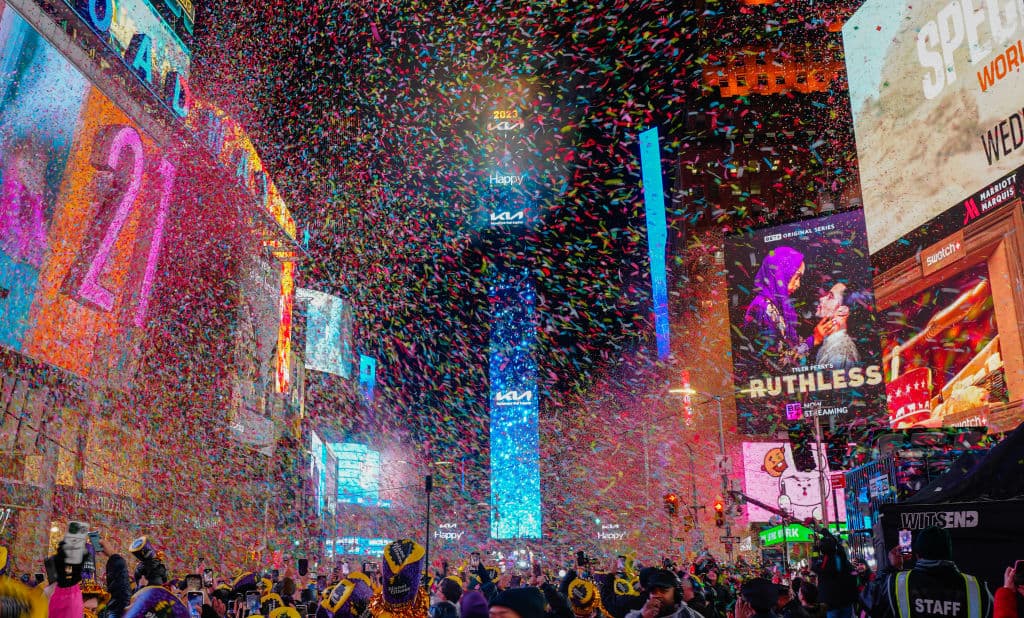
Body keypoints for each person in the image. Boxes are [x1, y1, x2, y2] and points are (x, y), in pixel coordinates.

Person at [742, 246, 834, 371]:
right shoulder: (763, 308)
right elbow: (776, 364)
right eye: (796, 277)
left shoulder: (776, 304)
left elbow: (788, 346)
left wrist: (814, 337)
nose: (798, 284)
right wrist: (813, 341)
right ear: (781, 273)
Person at [869, 527, 993, 618]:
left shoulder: (895, 583)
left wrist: (891, 568)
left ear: (917, 555)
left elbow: (868, 600)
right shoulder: (978, 588)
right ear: (949, 554)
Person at [811, 534, 860, 618]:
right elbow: (841, 549)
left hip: (831, 604)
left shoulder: (823, 563)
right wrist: (835, 541)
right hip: (846, 601)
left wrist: (815, 550)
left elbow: (814, 565)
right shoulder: (842, 558)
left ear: (822, 549)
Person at [624, 570, 703, 618]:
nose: (657, 595)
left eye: (663, 590)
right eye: (653, 591)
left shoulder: (691, 616)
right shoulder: (638, 614)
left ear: (677, 594)